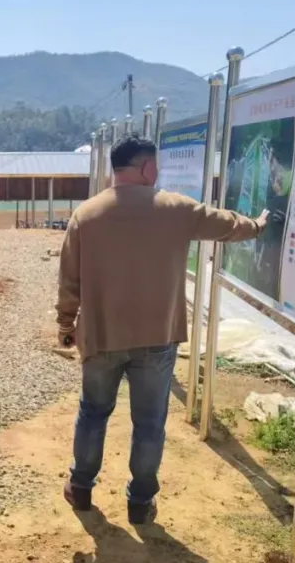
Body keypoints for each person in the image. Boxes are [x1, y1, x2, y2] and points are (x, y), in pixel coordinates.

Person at [56, 134, 269, 525]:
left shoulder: (86, 214)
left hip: (101, 334)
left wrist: (66, 323)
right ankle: (140, 502)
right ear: (147, 168)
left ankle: (81, 487)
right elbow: (225, 225)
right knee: (149, 423)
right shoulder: (174, 208)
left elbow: (69, 277)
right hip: (157, 336)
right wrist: (256, 226)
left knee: (93, 413)